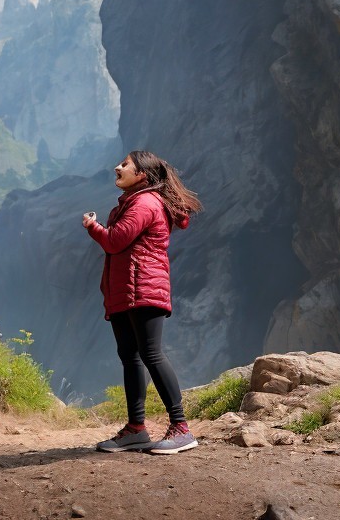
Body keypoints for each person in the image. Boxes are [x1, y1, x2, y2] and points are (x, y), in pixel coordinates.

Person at [82, 150, 203, 455]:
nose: (117, 167)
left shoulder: (145, 203)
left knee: (150, 353)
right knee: (130, 356)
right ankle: (136, 429)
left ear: (141, 175)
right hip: (127, 290)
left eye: (125, 164)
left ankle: (181, 428)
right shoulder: (135, 201)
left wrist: (93, 227)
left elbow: (115, 241)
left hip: (143, 289)